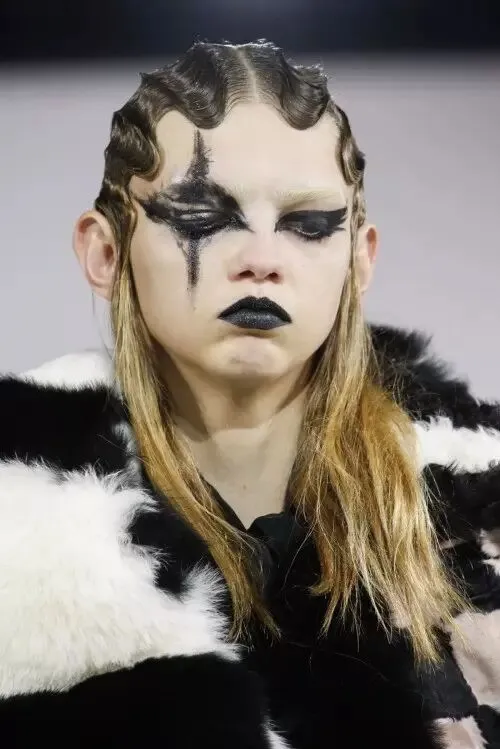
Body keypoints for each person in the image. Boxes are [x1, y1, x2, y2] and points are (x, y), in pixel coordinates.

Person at [0, 39, 499, 749]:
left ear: (359, 260)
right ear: (105, 253)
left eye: (308, 225)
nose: (262, 259)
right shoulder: (19, 528)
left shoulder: (479, 512)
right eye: (200, 218)